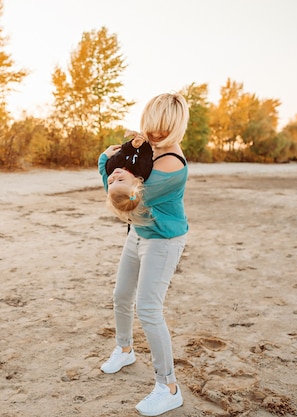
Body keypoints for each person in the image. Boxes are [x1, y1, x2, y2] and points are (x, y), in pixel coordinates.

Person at [97, 92, 190, 416]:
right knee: (121, 296)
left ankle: (169, 388)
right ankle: (125, 349)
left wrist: (103, 162)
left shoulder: (170, 167)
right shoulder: (149, 149)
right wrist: (121, 159)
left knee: (148, 309)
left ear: (176, 127)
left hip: (163, 241)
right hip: (138, 233)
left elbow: (120, 195)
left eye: (163, 129)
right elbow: (124, 171)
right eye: (152, 126)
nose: (155, 134)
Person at [103, 130, 154, 224]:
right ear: (135, 182)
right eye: (120, 180)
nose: (114, 177)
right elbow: (147, 154)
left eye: (110, 183)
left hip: (131, 144)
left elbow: (122, 152)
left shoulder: (111, 167)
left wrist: (132, 145)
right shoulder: (143, 171)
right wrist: (142, 141)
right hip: (143, 141)